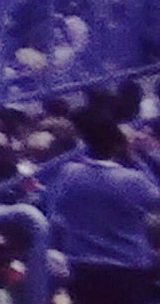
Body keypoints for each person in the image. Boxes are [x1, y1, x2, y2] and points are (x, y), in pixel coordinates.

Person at [50, 114, 160, 304]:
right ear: (118, 145)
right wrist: (134, 157)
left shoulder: (68, 172)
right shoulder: (133, 179)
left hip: (81, 268)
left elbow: (56, 211)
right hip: (128, 269)